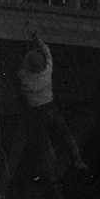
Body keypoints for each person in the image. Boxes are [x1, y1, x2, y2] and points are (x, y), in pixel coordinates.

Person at [18, 32, 88, 179]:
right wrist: (39, 42)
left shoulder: (24, 78)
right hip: (50, 108)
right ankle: (78, 161)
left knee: (43, 143)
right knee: (65, 134)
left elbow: (23, 69)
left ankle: (48, 173)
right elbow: (48, 54)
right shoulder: (47, 72)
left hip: (36, 111)